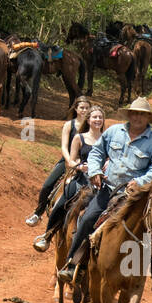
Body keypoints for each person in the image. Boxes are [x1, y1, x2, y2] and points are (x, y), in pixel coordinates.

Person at [57, 97, 152, 293]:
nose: (137, 117)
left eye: (142, 114)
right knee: (87, 219)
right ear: (129, 115)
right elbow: (96, 154)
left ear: (148, 118)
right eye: (134, 113)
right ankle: (73, 264)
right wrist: (94, 171)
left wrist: (142, 181)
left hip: (137, 197)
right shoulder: (113, 132)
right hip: (108, 190)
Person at [33, 106, 105, 252]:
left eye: (100, 117)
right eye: (95, 117)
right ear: (89, 120)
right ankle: (48, 235)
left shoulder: (107, 138)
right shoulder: (80, 137)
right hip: (81, 178)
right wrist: (79, 166)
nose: (98, 120)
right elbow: (71, 161)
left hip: (101, 180)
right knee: (62, 203)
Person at [27, 96, 92, 226]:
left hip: (87, 163)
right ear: (76, 109)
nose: (84, 110)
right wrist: (70, 161)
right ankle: (38, 213)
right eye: (82, 108)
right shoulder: (69, 124)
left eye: (87, 108)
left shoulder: (92, 125)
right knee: (47, 185)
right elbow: (63, 146)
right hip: (68, 160)